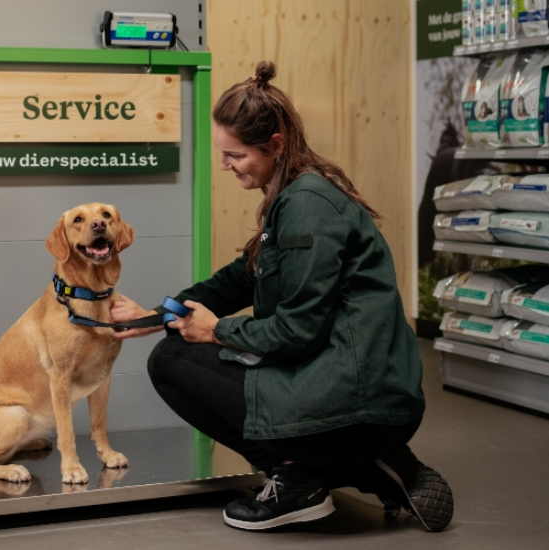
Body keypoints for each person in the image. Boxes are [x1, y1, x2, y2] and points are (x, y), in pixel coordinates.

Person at [110, 61, 454, 532]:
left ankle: (298, 481)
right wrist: (157, 314)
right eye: (222, 153)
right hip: (363, 392)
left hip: (358, 400)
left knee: (172, 362)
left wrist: (218, 330)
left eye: (236, 155)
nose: (225, 165)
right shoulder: (294, 192)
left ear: (274, 145)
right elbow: (239, 279)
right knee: (174, 343)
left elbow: (298, 331)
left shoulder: (305, 206)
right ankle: (360, 462)